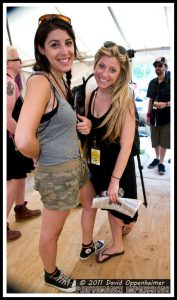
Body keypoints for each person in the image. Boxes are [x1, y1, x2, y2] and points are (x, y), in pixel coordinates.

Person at [15, 14, 104, 292]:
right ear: (41, 49)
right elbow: (22, 138)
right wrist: (38, 154)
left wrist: (84, 124)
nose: (64, 51)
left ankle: (87, 246)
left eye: (68, 43)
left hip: (73, 166)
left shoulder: (59, 80)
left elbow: (53, 122)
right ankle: (50, 273)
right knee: (52, 232)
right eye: (54, 45)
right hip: (57, 173)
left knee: (90, 202)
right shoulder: (40, 81)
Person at [83, 41, 138, 263]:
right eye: (101, 66)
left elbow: (126, 146)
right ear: (95, 65)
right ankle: (118, 243)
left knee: (122, 211)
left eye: (112, 69)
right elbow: (90, 131)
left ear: (121, 73)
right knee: (109, 204)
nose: (104, 73)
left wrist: (115, 180)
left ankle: (123, 234)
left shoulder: (124, 101)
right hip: (98, 164)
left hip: (119, 167)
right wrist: (86, 127)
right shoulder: (91, 96)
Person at [7, 46, 41, 242]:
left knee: (19, 176)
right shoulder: (9, 83)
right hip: (10, 140)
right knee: (12, 180)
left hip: (12, 140)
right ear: (9, 63)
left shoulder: (11, 82)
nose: (21, 62)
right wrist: (22, 136)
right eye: (18, 59)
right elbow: (6, 116)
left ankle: (20, 208)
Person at [146, 57, 170, 175]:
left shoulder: (171, 80)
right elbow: (150, 100)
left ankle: (161, 162)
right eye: (156, 65)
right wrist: (148, 114)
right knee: (155, 140)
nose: (157, 67)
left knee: (164, 141)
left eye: (160, 65)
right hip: (154, 116)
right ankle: (156, 158)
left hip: (167, 117)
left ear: (165, 66)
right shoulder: (152, 82)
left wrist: (165, 104)